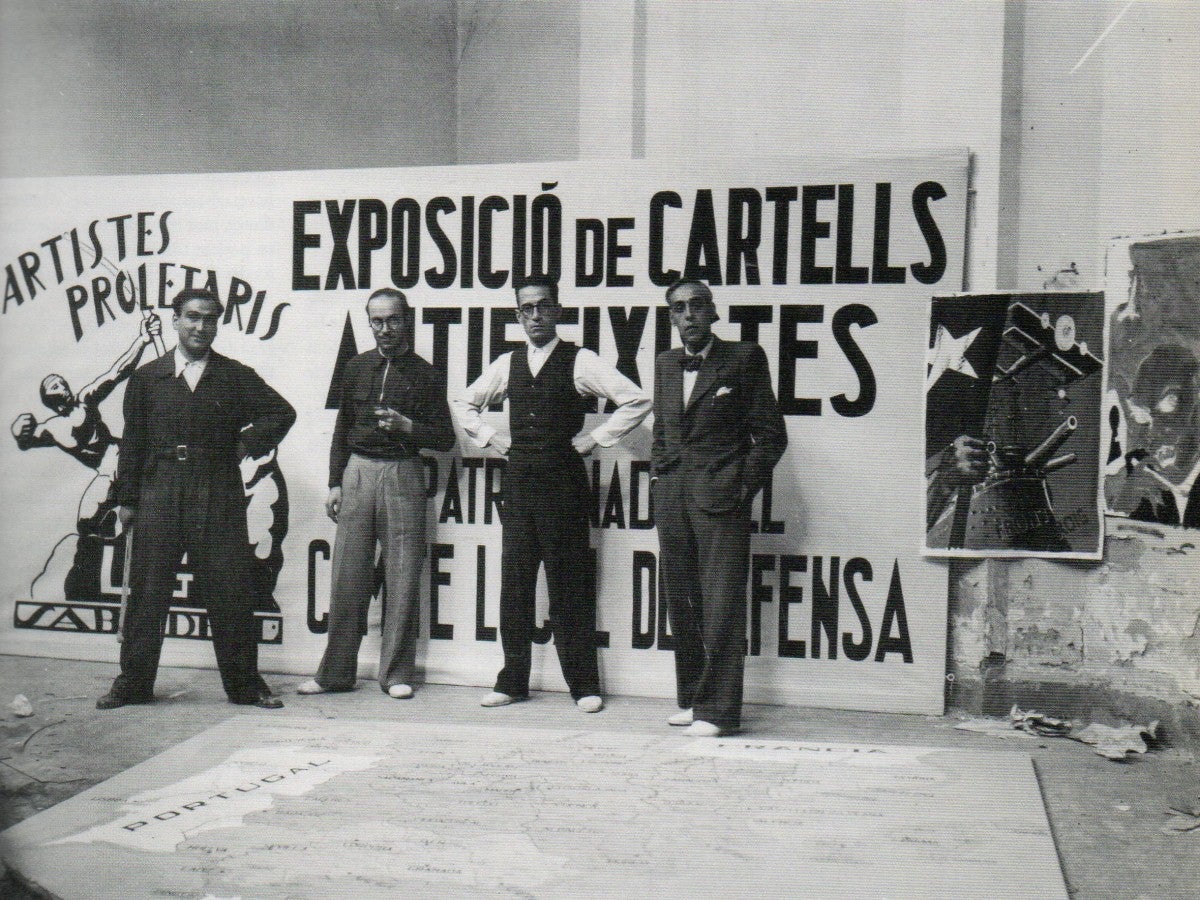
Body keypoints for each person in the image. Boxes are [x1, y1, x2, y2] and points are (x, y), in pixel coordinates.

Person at [454, 274, 651, 713]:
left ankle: (583, 686)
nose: (536, 315)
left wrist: (594, 440)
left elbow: (637, 400)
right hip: (520, 482)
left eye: (544, 305)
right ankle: (512, 682)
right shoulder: (507, 363)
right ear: (518, 315)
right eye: (527, 308)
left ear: (558, 310)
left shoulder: (580, 360)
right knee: (515, 585)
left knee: (569, 585)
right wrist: (493, 439)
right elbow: (464, 403)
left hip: (564, 482)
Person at [96, 288, 295, 710]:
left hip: (217, 490)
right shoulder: (146, 378)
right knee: (148, 591)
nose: (201, 326)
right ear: (175, 320)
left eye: (209, 319)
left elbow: (282, 412)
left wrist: (246, 443)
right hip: (160, 490)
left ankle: (245, 686)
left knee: (230, 589)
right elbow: (133, 443)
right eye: (192, 317)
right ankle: (133, 683)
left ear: (217, 324)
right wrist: (127, 500)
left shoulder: (235, 375)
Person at [298, 288, 455, 699]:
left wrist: (408, 427)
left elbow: (444, 438)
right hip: (357, 472)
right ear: (369, 322)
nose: (385, 329)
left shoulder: (426, 374)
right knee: (347, 576)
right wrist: (335, 481)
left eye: (393, 320)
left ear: (407, 320)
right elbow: (341, 429)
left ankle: (397, 674)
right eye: (377, 321)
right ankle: (335, 674)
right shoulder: (355, 367)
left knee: (403, 575)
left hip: (404, 473)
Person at [652, 278, 786, 736]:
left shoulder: (744, 357)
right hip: (673, 499)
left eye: (696, 305)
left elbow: (771, 436)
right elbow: (663, 430)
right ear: (671, 317)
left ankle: (719, 712)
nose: (688, 314)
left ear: (713, 311)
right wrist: (660, 478)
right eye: (678, 307)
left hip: (721, 499)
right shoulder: (665, 363)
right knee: (682, 601)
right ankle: (694, 699)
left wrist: (740, 486)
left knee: (722, 603)